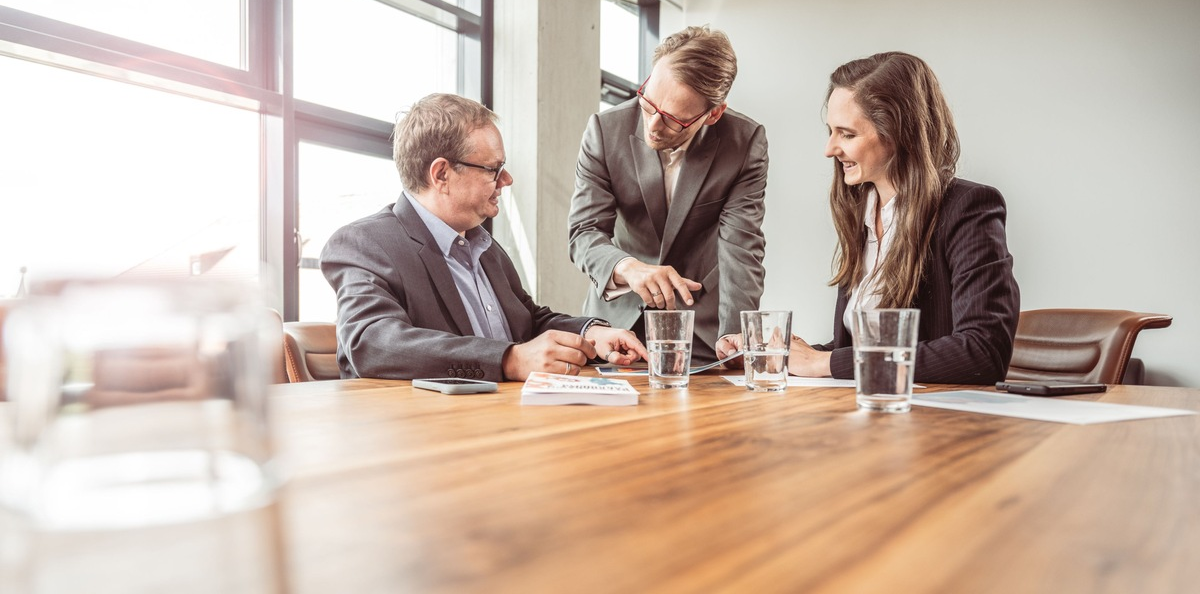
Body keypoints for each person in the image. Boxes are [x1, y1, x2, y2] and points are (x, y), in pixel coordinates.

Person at [718, 52, 1020, 384]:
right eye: (830, 131)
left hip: (937, 422)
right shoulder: (862, 211)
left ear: (897, 134)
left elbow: (982, 352)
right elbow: (864, 350)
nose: (829, 149)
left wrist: (824, 362)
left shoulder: (968, 208)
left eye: (846, 134)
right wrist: (775, 356)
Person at [321, 93, 647, 382]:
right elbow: (372, 343)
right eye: (493, 168)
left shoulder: (483, 246)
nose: (506, 179)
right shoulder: (365, 244)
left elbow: (528, 321)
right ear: (441, 174)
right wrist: (508, 360)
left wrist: (591, 333)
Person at [567, 25, 768, 363]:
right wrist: (629, 268)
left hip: (702, 334)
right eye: (648, 103)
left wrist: (736, 336)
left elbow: (741, 247)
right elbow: (583, 233)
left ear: (713, 114)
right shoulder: (604, 131)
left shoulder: (744, 143)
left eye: (673, 119)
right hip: (615, 328)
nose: (653, 126)